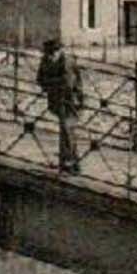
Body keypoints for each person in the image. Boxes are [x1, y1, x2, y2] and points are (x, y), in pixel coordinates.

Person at [37, 38, 83, 173]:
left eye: (53, 53)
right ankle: (70, 162)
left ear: (59, 51)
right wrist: (52, 83)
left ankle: (69, 162)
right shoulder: (45, 60)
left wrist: (49, 83)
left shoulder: (67, 61)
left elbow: (67, 83)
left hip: (71, 100)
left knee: (67, 129)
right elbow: (39, 79)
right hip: (56, 99)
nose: (50, 56)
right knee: (66, 131)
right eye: (48, 53)